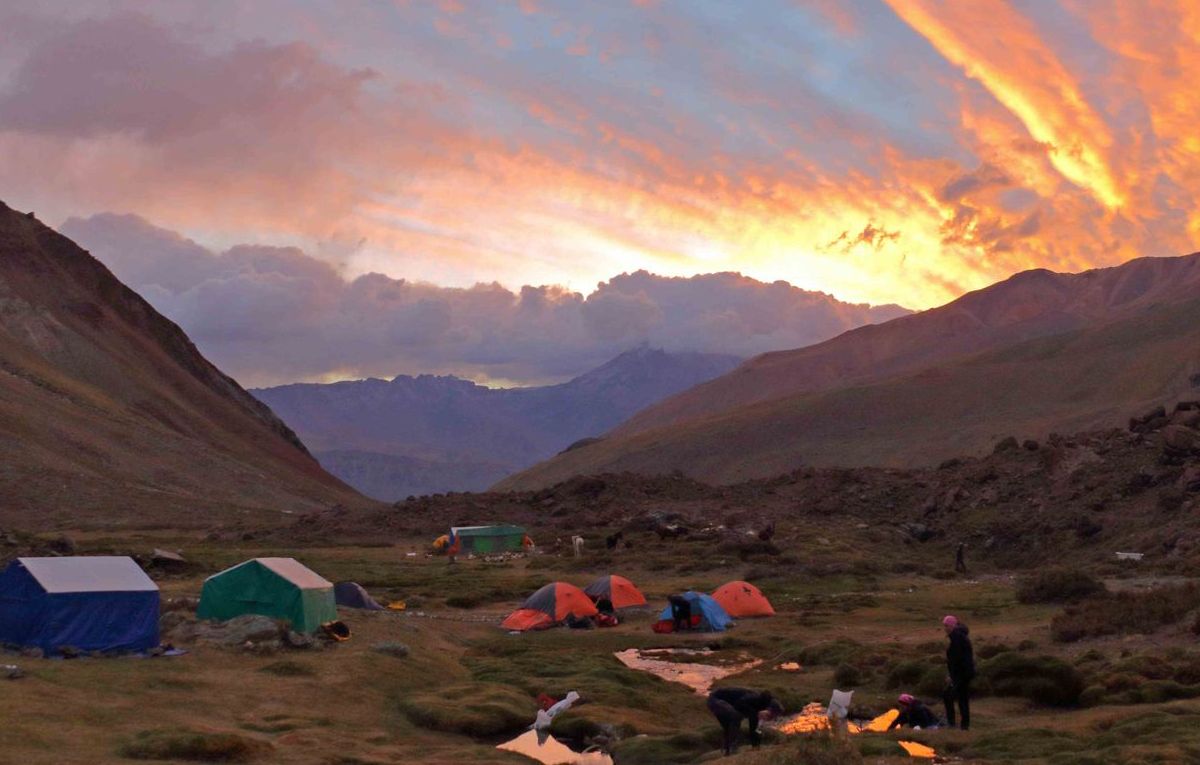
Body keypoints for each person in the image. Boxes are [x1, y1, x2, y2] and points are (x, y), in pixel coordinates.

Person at [706, 687, 784, 756]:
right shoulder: (755, 699)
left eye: (770, 718)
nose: (767, 718)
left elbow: (753, 729)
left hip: (722, 702)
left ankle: (727, 751)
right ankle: (732, 750)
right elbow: (739, 704)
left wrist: (755, 746)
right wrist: (755, 713)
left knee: (729, 726)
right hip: (715, 699)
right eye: (768, 715)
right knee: (736, 718)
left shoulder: (757, 710)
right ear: (766, 709)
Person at [942, 614, 975, 730]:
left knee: (949, 695)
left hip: (962, 674)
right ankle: (963, 726)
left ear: (952, 626)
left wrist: (952, 676)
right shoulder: (958, 636)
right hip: (964, 673)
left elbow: (956, 659)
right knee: (961, 699)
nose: (945, 628)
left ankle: (952, 723)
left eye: (946, 625)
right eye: (944, 626)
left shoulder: (957, 637)